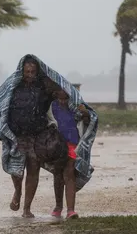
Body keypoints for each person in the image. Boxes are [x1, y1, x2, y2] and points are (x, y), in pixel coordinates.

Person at [6, 56, 56, 218]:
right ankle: (18, 192)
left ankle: (27, 208)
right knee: (16, 171)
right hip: (17, 135)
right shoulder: (13, 86)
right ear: (22, 71)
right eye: (27, 72)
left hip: (37, 135)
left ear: (37, 71)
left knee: (33, 170)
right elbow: (1, 103)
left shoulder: (43, 87)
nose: (30, 74)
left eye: (33, 71)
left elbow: (60, 93)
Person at [46, 88, 90, 219]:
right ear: (55, 95)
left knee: (69, 173)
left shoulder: (76, 107)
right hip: (56, 144)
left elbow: (88, 121)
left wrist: (86, 114)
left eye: (66, 99)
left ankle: (71, 210)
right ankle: (58, 207)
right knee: (58, 174)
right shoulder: (51, 106)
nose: (63, 101)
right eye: (60, 99)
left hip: (72, 143)